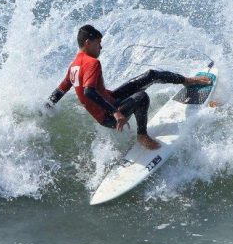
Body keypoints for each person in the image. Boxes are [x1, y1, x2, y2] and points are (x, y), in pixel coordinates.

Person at [46, 25, 211, 150]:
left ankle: (185, 80)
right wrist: (116, 113)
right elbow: (89, 91)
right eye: (98, 43)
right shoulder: (92, 63)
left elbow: (60, 91)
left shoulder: (74, 66)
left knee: (151, 75)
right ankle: (142, 135)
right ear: (88, 43)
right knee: (141, 97)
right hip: (108, 116)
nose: (101, 48)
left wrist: (46, 107)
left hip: (112, 100)